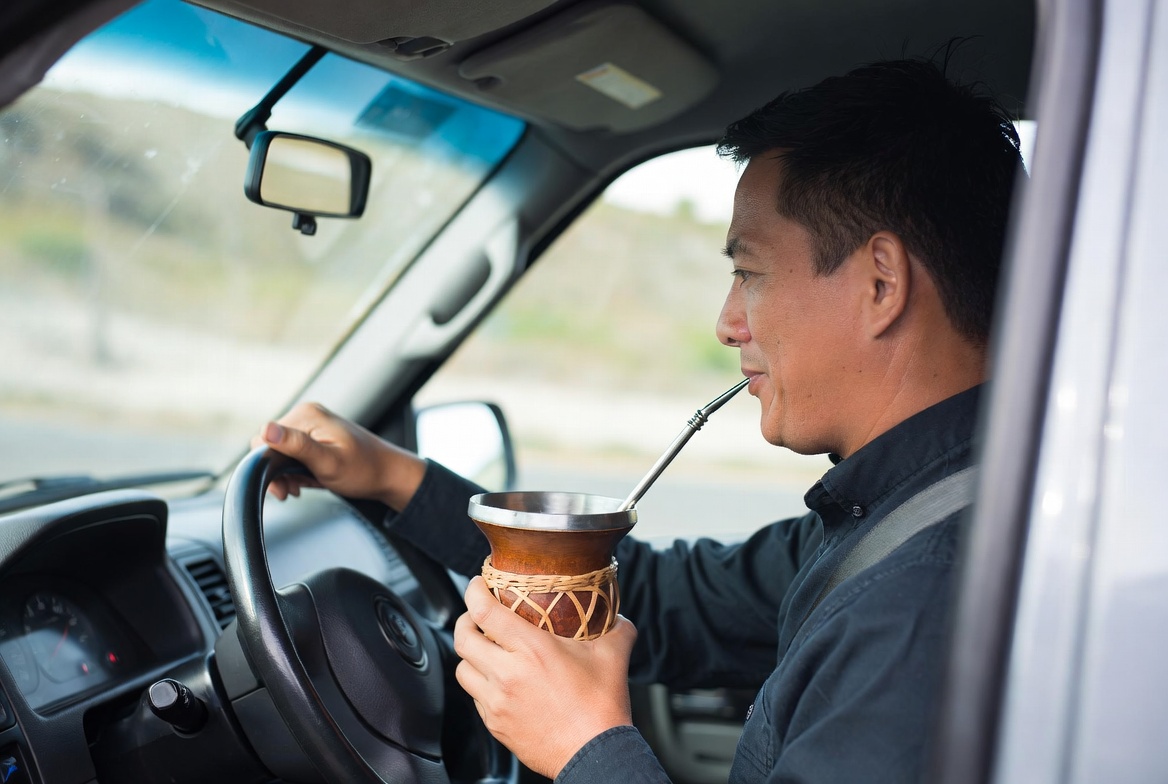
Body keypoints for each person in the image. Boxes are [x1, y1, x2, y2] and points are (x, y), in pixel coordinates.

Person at [256, 57, 1024, 783]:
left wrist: (586, 747)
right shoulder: (901, 516)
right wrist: (390, 476)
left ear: (881, 284)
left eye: (750, 273)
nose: (727, 324)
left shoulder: (922, 606)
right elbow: (658, 598)